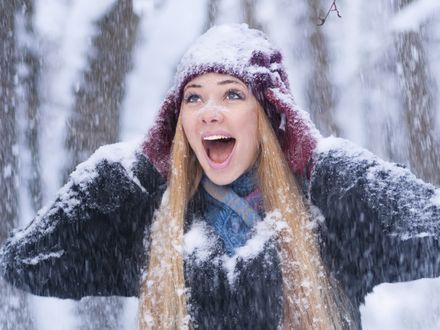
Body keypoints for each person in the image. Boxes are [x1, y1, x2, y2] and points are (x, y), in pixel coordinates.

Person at [1, 23, 439, 330]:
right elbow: (26, 262)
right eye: (193, 98)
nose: (210, 110)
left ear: (267, 116)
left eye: (232, 93)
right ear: (178, 121)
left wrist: (323, 162)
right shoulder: (155, 231)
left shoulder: (330, 221)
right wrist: (137, 168)